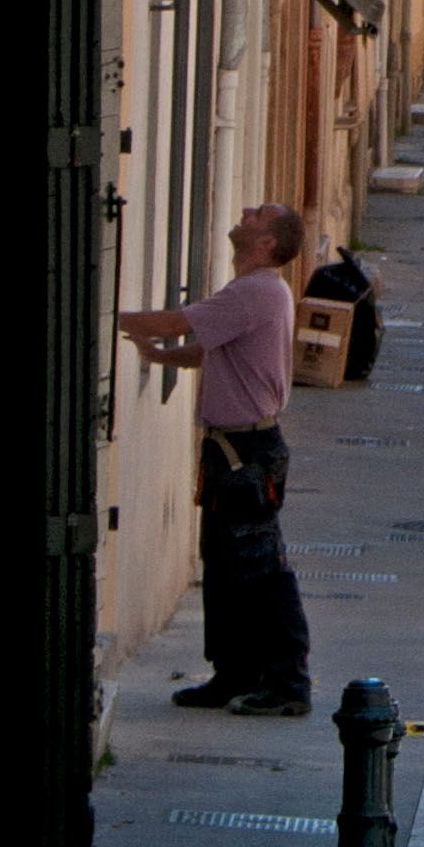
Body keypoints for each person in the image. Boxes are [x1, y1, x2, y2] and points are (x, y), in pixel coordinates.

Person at [118, 200, 313, 717]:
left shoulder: (256, 290)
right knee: (226, 565)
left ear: (268, 242)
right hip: (233, 449)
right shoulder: (250, 292)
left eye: (259, 215)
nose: (247, 212)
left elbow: (173, 321)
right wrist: (162, 358)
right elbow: (211, 348)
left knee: (261, 567)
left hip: (246, 453)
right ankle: (234, 673)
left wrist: (105, 318)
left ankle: (287, 682)